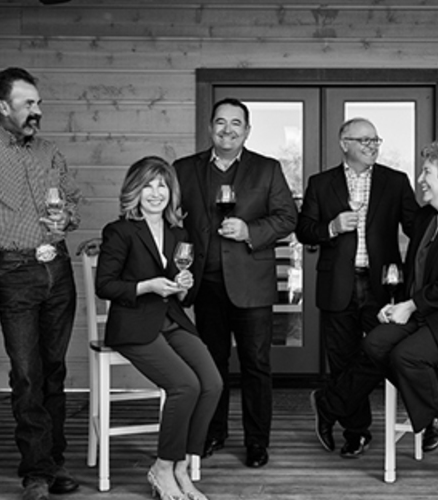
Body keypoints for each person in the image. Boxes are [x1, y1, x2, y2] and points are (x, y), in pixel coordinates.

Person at [311, 141, 438, 454]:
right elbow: (416, 272)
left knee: (404, 355)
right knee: (374, 344)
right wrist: (396, 306)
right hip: (424, 313)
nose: (420, 179)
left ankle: (435, 415)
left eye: (427, 172)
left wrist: (411, 305)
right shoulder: (427, 218)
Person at [0, 67, 81, 500]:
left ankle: (55, 461)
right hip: (13, 273)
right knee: (28, 374)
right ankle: (36, 473)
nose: (37, 111)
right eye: (29, 104)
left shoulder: (49, 152)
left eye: (38, 103)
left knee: (54, 370)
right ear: (1, 106)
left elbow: (71, 203)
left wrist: (67, 219)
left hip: (58, 269)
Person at [173, 98, 298, 468]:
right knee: (211, 364)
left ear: (247, 130)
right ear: (210, 127)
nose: (227, 130)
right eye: (220, 122)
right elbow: (170, 219)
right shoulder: (184, 169)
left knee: (256, 365)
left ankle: (257, 442)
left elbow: (288, 218)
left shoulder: (267, 169)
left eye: (236, 123)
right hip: (204, 285)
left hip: (251, 285)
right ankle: (213, 432)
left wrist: (249, 231)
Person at [95, 156, 222, 500]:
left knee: (212, 384)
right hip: (134, 325)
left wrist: (183, 286)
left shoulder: (179, 233)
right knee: (185, 386)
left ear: (171, 192)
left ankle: (182, 467)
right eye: (148, 185)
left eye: (162, 185)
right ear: (134, 191)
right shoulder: (119, 231)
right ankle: (162, 469)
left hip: (172, 320)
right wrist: (146, 286)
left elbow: (186, 294)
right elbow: (104, 285)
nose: (156, 192)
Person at [296, 118, 418, 458]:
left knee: (383, 352)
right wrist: (332, 227)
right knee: (343, 360)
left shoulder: (395, 181)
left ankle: (328, 403)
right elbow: (304, 230)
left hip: (383, 286)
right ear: (344, 143)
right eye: (363, 140)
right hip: (337, 283)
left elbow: (416, 226)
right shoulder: (321, 183)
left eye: (375, 140)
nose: (371, 146)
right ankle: (356, 432)